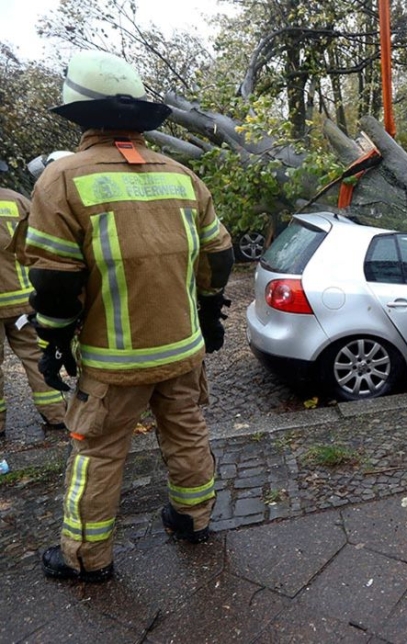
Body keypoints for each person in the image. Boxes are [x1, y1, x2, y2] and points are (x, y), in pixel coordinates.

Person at [25, 50, 234, 582]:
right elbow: (219, 256)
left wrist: (53, 341)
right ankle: (193, 519)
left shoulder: (61, 179)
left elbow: (54, 282)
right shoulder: (183, 176)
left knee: (97, 451)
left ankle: (86, 557)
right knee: (187, 431)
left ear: (80, 114)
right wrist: (210, 315)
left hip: (113, 362)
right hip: (182, 350)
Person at [0, 161, 66, 440]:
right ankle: (57, 415)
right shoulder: (17, 201)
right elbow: (41, 241)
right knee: (36, 356)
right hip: (23, 300)